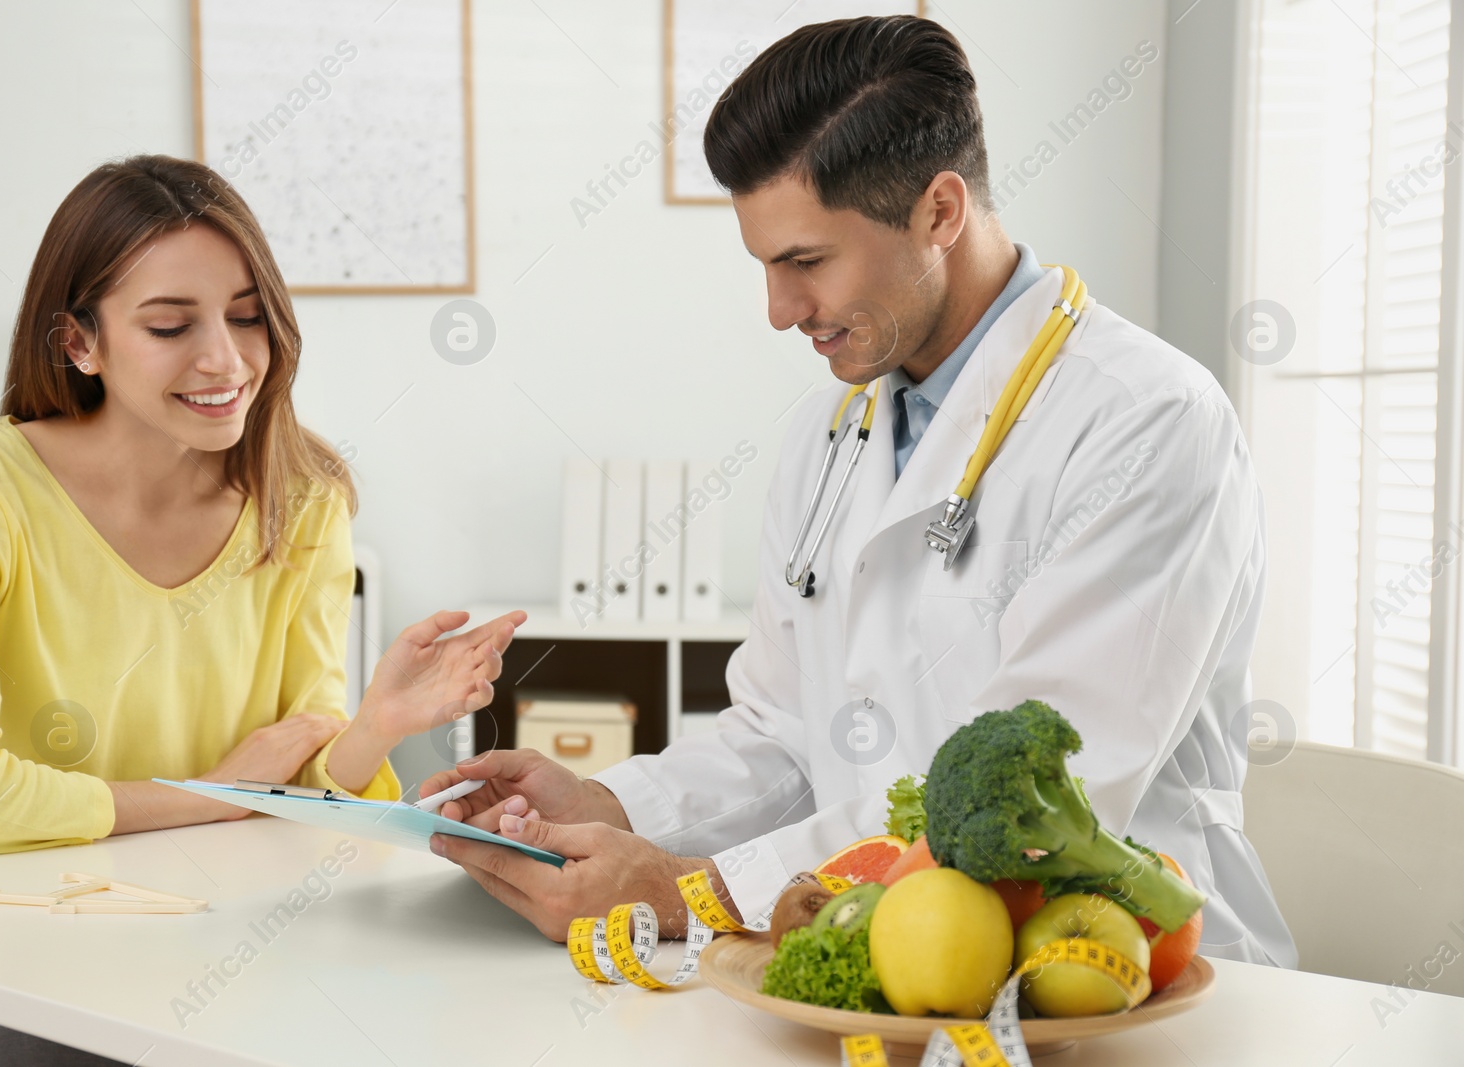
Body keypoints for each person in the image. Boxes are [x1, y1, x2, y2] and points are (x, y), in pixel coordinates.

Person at [421, 15, 1297, 968]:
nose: (779, 311)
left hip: (1118, 976)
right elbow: (783, 736)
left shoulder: (1146, 422)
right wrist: (615, 807)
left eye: (806, 263)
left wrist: (694, 892)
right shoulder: (830, 436)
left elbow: (1028, 805)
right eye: (766, 265)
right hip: (881, 960)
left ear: (940, 212)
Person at [0, 154, 524, 1067]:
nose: (225, 358)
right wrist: (211, 793)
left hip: (217, 941)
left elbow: (299, 797)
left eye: (248, 316)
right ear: (78, 342)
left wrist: (380, 724)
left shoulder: (303, 499)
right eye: (171, 325)